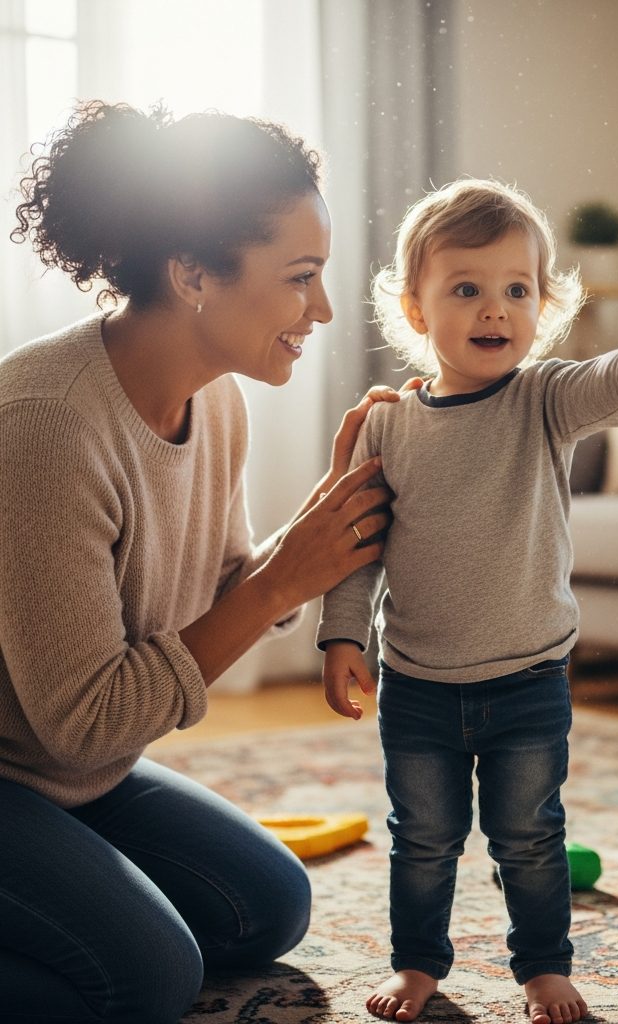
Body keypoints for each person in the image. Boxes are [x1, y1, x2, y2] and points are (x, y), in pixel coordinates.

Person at [0, 100, 407, 1024]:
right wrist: (282, 578)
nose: (325, 309)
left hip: (64, 779)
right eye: (301, 277)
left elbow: (231, 592)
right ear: (191, 275)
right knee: (144, 979)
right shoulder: (46, 425)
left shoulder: (217, 401)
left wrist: (324, 519)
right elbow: (84, 721)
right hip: (36, 762)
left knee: (269, 904)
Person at [317, 178, 618, 1024]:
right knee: (422, 841)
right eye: (466, 289)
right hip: (417, 684)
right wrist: (341, 636)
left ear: (542, 306)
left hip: (529, 679)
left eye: (516, 290)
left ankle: (541, 967)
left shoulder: (542, 399)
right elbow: (357, 548)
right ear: (416, 312)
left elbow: (607, 383)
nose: (495, 310)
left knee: (529, 839)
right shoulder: (388, 425)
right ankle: (418, 965)